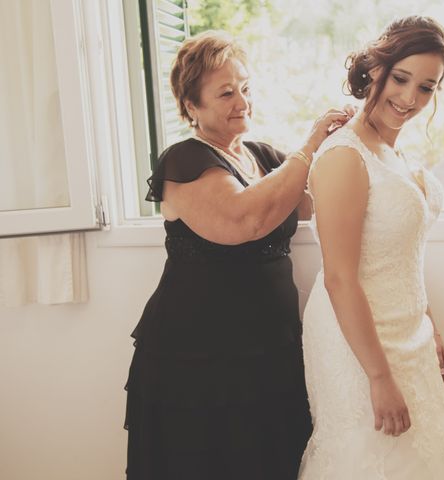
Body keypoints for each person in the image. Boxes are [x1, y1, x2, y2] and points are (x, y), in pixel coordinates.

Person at [123, 30, 352, 480]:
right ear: (192, 106)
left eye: (245, 88)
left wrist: (346, 145)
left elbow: (313, 200)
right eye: (226, 92)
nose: (241, 101)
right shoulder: (184, 161)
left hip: (270, 346)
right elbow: (243, 221)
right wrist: (308, 147)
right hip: (199, 356)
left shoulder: (264, 156)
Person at [299, 16, 444, 479]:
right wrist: (378, 376)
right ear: (374, 69)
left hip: (407, 331)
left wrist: (429, 326)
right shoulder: (343, 158)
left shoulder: (394, 153)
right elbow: (339, 277)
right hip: (356, 341)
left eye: (427, 88)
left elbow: (402, 256)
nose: (410, 98)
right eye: (401, 79)